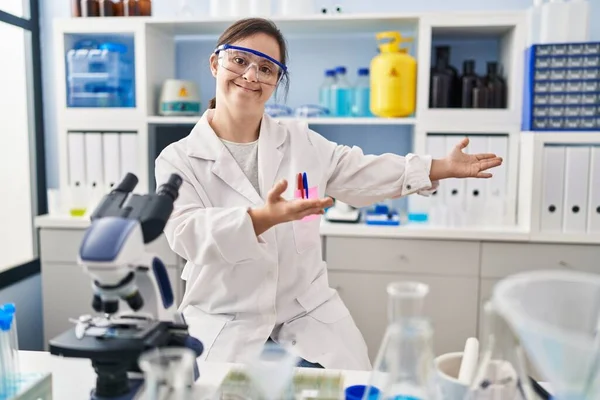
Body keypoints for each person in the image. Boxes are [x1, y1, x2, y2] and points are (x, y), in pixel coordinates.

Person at [154, 18, 502, 370]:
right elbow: (186, 235)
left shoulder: (300, 140)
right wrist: (260, 219)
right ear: (216, 62)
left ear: (276, 81)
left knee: (353, 387)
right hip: (226, 320)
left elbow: (360, 170)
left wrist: (440, 166)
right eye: (240, 60)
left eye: (266, 68)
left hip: (308, 314)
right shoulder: (178, 159)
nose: (251, 75)